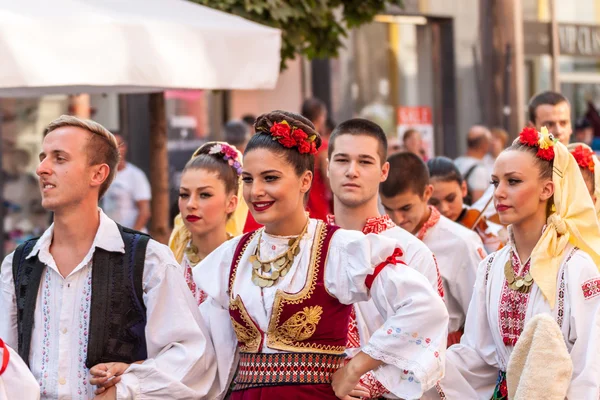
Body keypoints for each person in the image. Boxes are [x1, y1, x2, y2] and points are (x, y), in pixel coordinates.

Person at [194, 110, 449, 400]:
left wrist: (354, 371)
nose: (256, 191)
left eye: (270, 178)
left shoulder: (340, 248)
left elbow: (424, 309)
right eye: (249, 180)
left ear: (305, 181)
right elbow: (203, 349)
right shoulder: (231, 256)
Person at [0, 116, 217, 399]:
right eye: (43, 157)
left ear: (98, 174)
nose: (42, 168)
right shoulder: (18, 264)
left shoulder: (148, 259)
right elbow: (7, 363)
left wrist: (127, 388)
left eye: (59, 158)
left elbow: (192, 357)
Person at [427, 127, 600, 399]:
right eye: (496, 182)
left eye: (514, 181)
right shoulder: (491, 268)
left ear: (547, 189)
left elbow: (589, 369)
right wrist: (408, 374)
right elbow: (475, 356)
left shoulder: (576, 267)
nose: (499, 193)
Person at [326, 118, 444, 398]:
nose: (352, 171)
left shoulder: (412, 251)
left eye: (365, 162)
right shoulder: (313, 244)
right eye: (342, 160)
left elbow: (428, 341)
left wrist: (363, 380)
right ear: (327, 166)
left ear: (383, 171)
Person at [380, 152, 486, 346]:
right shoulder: (382, 236)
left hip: (446, 352)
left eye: (405, 208)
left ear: (427, 194)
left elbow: (481, 318)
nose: (397, 219)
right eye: (388, 209)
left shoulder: (462, 242)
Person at [169, 142, 242, 305]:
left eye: (204, 195)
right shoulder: (171, 262)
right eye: (184, 194)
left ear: (231, 203)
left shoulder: (243, 264)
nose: (190, 204)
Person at [428, 156, 505, 252]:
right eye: (434, 203)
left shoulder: (487, 229)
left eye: (451, 199)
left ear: (463, 188)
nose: (444, 209)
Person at [100, 133, 151, 231]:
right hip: (110, 235)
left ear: (125, 148)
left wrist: (132, 238)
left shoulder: (136, 175)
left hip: (131, 237)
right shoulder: (101, 174)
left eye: (120, 145)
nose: (116, 149)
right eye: (112, 145)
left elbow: (144, 212)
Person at [302, 97, 332, 220]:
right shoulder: (322, 146)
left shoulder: (295, 143)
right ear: (321, 117)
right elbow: (329, 180)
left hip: (299, 206)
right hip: (318, 206)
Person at [454, 125, 492, 204]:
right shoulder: (479, 170)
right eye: (489, 142)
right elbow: (478, 204)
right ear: (484, 144)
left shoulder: (456, 162)